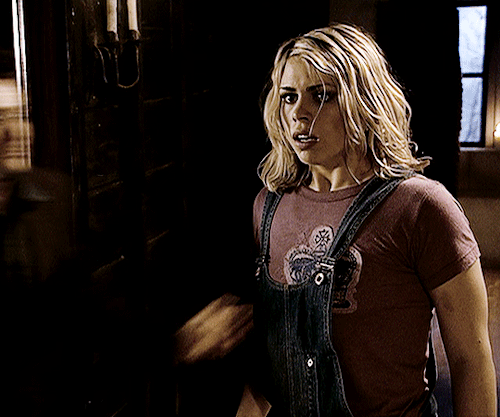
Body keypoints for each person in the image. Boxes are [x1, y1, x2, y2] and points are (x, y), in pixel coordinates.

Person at [248, 23, 497, 417]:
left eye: (322, 95)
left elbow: (471, 360)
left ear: (363, 102)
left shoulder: (421, 208)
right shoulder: (268, 207)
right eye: (289, 97)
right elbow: (270, 371)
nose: (298, 113)